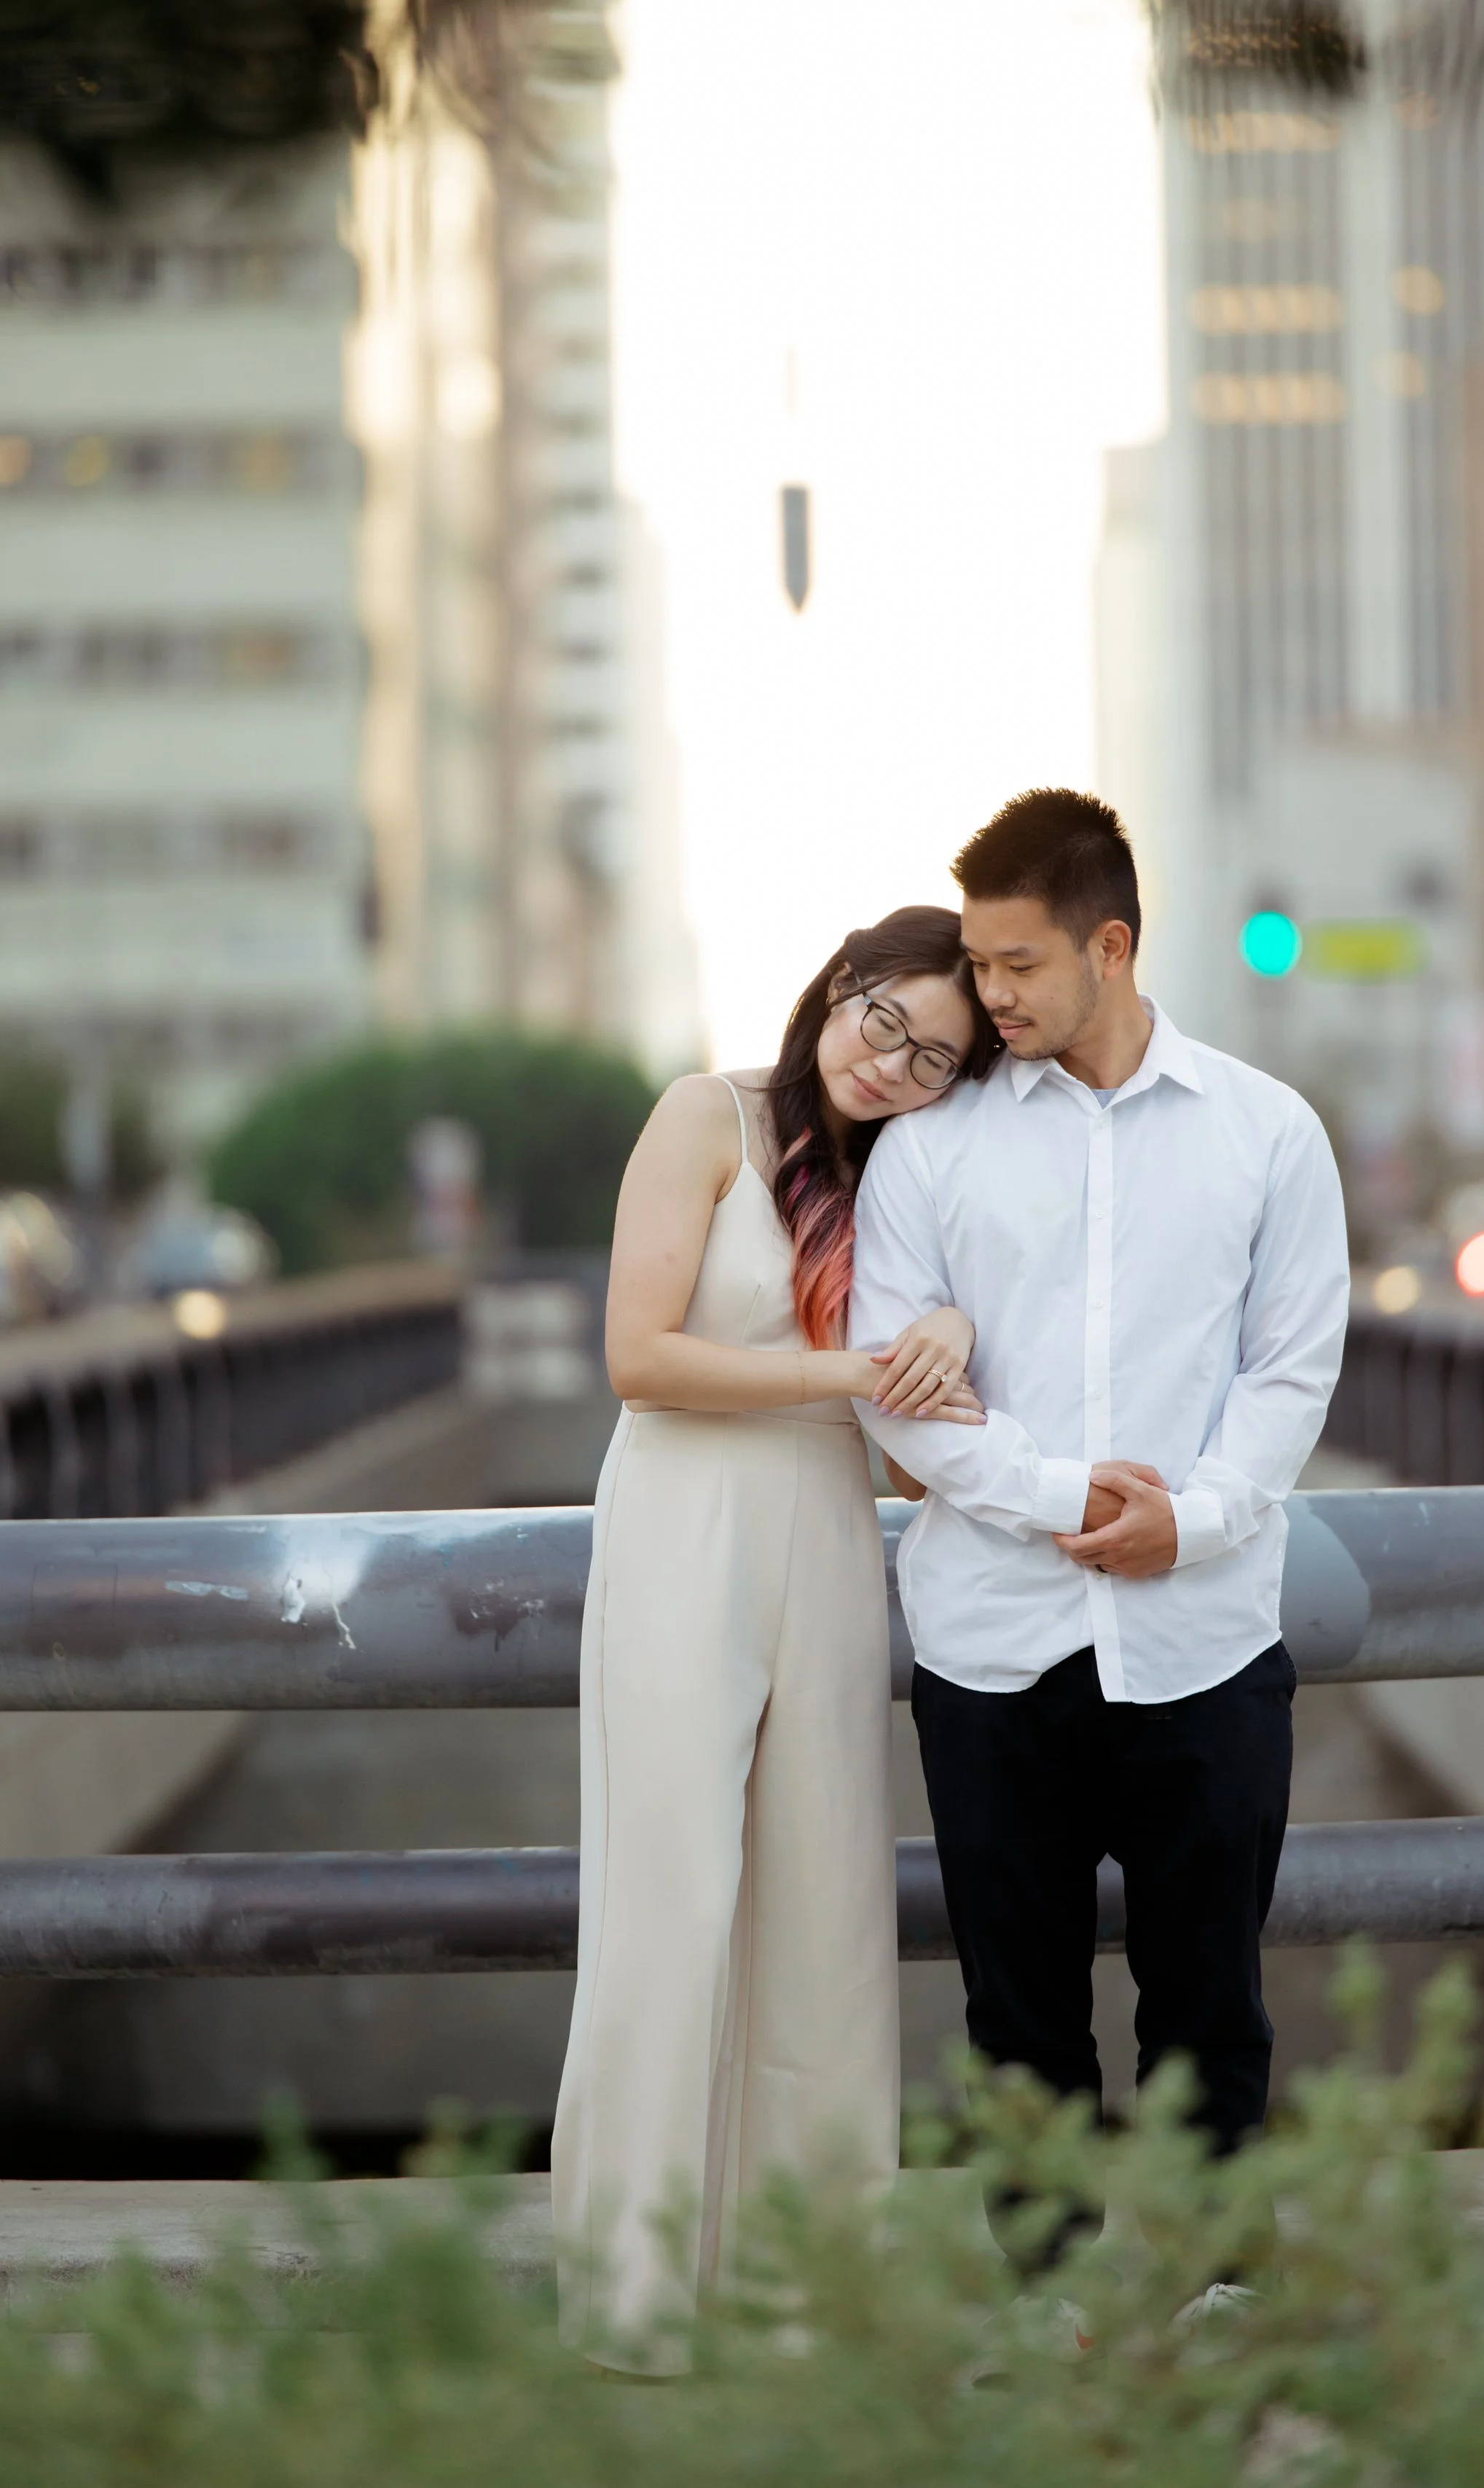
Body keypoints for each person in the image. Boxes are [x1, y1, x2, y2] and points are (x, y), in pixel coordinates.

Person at [848, 789, 1350, 2205]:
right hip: (992, 1651)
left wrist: (1191, 1519)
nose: (988, 994)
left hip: (1205, 1644)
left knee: (1211, 2013)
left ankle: (1214, 2292)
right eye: (977, 963)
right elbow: (900, 1397)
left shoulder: (1266, 1132)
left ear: (1110, 946)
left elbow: (1291, 1368)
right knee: (1019, 2032)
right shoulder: (929, 1147)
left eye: (1017, 964)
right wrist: (1067, 1495)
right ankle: (1046, 2300)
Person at [550, 904, 1000, 2368]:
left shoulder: (908, 1179)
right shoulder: (708, 1117)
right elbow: (638, 1357)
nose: (893, 1065)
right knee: (672, 1898)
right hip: (684, 1521)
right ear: (841, 984)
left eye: (934, 1058)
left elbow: (918, 1419)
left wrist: (947, 1343)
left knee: (825, 1906)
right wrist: (851, 1370)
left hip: (828, 1529)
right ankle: (634, 2300)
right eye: (886, 1021)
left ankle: (807, 2299)